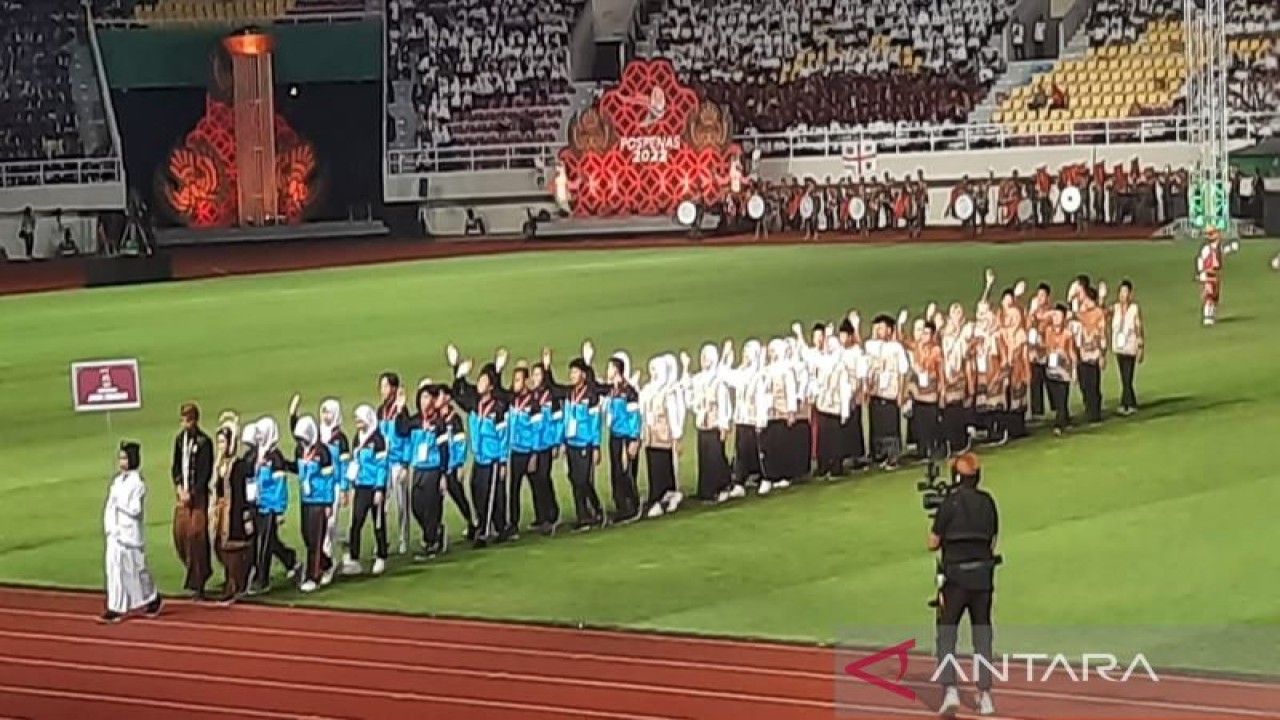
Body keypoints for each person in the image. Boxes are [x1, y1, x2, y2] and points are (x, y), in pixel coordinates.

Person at [930, 452, 999, 718]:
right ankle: (986, 695)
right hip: (983, 578)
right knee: (982, 635)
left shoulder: (950, 504)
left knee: (947, 633)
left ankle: (950, 689)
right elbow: (992, 540)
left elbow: (932, 542)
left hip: (956, 579)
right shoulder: (988, 503)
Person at [101, 441, 163, 624]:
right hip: (116, 534)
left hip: (130, 536)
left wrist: (120, 503)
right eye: (120, 458)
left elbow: (135, 510)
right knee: (115, 571)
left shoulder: (138, 484)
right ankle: (116, 606)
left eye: (124, 458)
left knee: (139, 571)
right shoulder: (117, 481)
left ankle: (152, 597)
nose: (121, 462)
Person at [249, 417, 300, 594]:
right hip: (258, 503)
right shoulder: (258, 455)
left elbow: (280, 487)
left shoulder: (275, 458)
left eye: (262, 434)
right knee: (269, 541)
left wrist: (279, 511)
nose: (259, 437)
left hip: (270, 506)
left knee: (265, 542)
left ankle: (262, 579)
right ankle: (290, 559)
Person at [288, 415, 337, 592]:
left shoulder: (323, 452)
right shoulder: (300, 450)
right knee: (307, 535)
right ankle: (327, 563)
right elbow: (298, 467)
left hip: (319, 500)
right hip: (305, 498)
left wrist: (328, 503)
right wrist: (286, 466)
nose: (301, 441)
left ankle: (313, 576)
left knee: (316, 539)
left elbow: (328, 480)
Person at [171, 402, 213, 599]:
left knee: (197, 538)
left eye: (187, 419)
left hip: (198, 498)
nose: (184, 423)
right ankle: (191, 570)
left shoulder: (204, 442)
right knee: (180, 536)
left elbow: (205, 472)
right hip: (182, 497)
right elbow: (176, 467)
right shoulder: (180, 441)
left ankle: (199, 581)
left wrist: (193, 494)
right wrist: (179, 488)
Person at [213, 415, 256, 604]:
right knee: (219, 546)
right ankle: (230, 580)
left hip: (236, 511)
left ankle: (236, 583)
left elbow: (245, 489)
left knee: (235, 549)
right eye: (219, 442)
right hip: (221, 510)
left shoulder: (238, 465)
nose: (220, 445)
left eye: (223, 442)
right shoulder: (218, 465)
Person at [685, 343, 735, 500]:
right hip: (702, 424)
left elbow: (724, 402)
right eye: (702, 357)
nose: (703, 360)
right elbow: (690, 396)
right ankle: (705, 489)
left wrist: (724, 425)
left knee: (715, 457)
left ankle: (721, 486)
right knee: (704, 458)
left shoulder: (717, 380)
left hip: (714, 424)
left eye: (706, 357)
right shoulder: (698, 379)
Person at [345, 403, 391, 570]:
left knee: (378, 522)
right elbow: (354, 461)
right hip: (360, 486)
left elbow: (382, 465)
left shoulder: (378, 440)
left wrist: (379, 488)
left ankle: (381, 555)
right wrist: (351, 483)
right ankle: (354, 557)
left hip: (374, 487)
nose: (357, 422)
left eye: (360, 419)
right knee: (356, 521)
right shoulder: (357, 438)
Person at [641, 354, 686, 518]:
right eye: (651, 369)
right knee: (653, 466)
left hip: (664, 436)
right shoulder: (649, 389)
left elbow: (673, 414)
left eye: (656, 370)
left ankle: (666, 495)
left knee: (664, 466)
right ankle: (657, 496)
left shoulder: (669, 392)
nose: (653, 373)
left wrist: (677, 437)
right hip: (651, 436)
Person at [604, 352, 643, 522]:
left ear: (617, 370)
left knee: (626, 473)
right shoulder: (612, 390)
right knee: (616, 471)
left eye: (610, 367)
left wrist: (634, 439)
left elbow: (635, 417)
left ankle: (631, 507)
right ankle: (620, 506)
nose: (607, 370)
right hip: (615, 436)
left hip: (626, 437)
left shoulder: (629, 391)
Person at [376, 372, 413, 554]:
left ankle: (403, 539)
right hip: (384, 464)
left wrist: (406, 465)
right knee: (382, 505)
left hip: (398, 462)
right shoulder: (380, 411)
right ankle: (382, 540)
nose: (381, 390)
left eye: (385, 386)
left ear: (394, 389)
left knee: (401, 505)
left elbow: (407, 438)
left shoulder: (402, 411)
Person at [1042, 304, 1079, 435]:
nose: (1056, 319)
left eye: (1059, 316)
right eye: (1055, 316)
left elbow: (1073, 353)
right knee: (1057, 398)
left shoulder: (1068, 334)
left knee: (1062, 397)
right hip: (1051, 369)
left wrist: (1074, 369)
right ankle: (1065, 419)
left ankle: (1059, 424)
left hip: (1063, 370)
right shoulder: (1048, 331)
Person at [1074, 286, 1108, 424]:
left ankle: (1095, 412)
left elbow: (1102, 334)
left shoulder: (1097, 313)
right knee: (1084, 385)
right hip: (1081, 354)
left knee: (1093, 384)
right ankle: (1089, 408)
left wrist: (1102, 354)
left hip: (1093, 354)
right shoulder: (1080, 313)